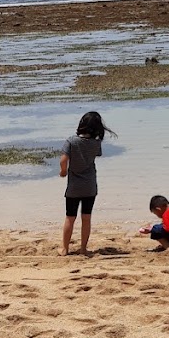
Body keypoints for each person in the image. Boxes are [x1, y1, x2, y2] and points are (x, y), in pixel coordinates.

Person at [59, 110, 113, 256]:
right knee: (86, 218)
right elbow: (95, 156)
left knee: (70, 217)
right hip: (90, 185)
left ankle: (64, 248)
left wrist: (63, 171)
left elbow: (63, 160)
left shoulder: (71, 141)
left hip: (74, 186)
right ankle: (83, 248)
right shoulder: (96, 143)